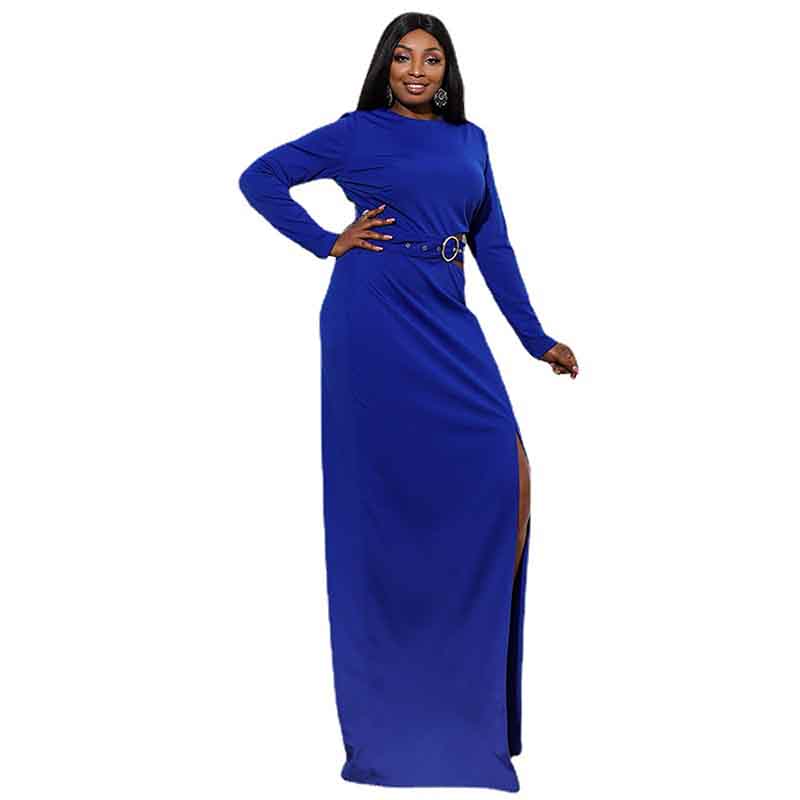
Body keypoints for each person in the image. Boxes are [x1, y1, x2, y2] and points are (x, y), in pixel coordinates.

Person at [239, 12, 579, 793]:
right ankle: (392, 730)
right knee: (380, 515)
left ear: (448, 71)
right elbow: (259, 177)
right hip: (372, 320)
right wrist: (326, 239)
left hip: (446, 319)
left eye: (431, 58)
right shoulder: (356, 133)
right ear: (385, 67)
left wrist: (535, 339)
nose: (417, 70)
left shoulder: (471, 142)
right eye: (403, 57)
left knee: (507, 480)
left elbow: (493, 244)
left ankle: (468, 715)